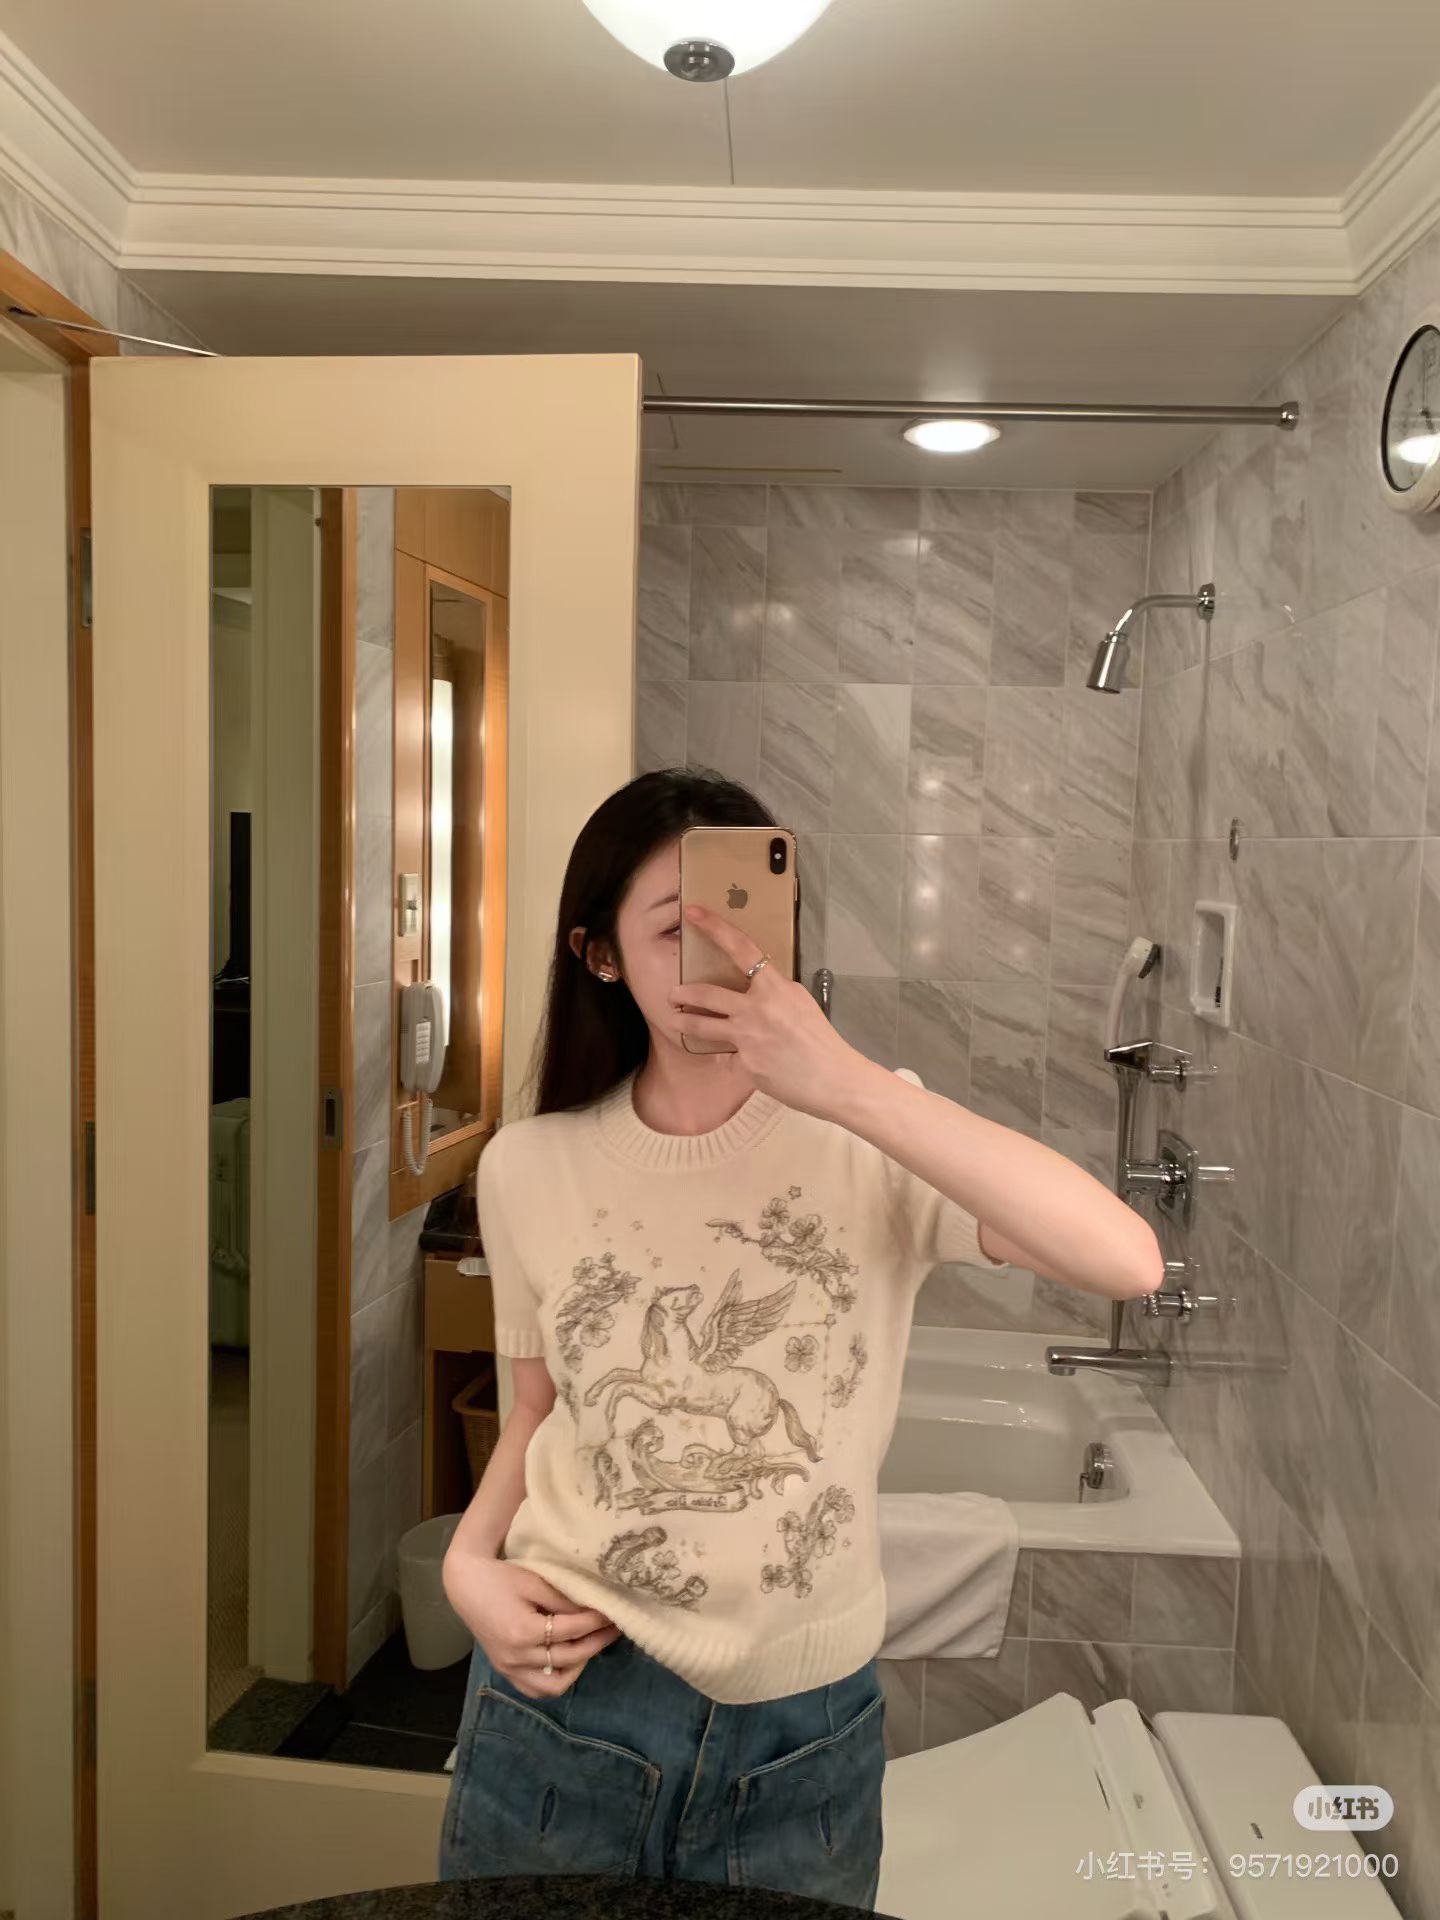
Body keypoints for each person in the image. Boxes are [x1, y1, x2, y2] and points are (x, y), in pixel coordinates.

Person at [437, 767, 1163, 1905]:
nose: (720, 960)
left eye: (746, 925)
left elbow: (1127, 1259)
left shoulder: (867, 1137)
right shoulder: (526, 1167)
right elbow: (535, 1409)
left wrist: (847, 1083)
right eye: (676, 930)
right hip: (565, 1709)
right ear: (600, 954)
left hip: (803, 1738)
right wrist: (465, 1566)